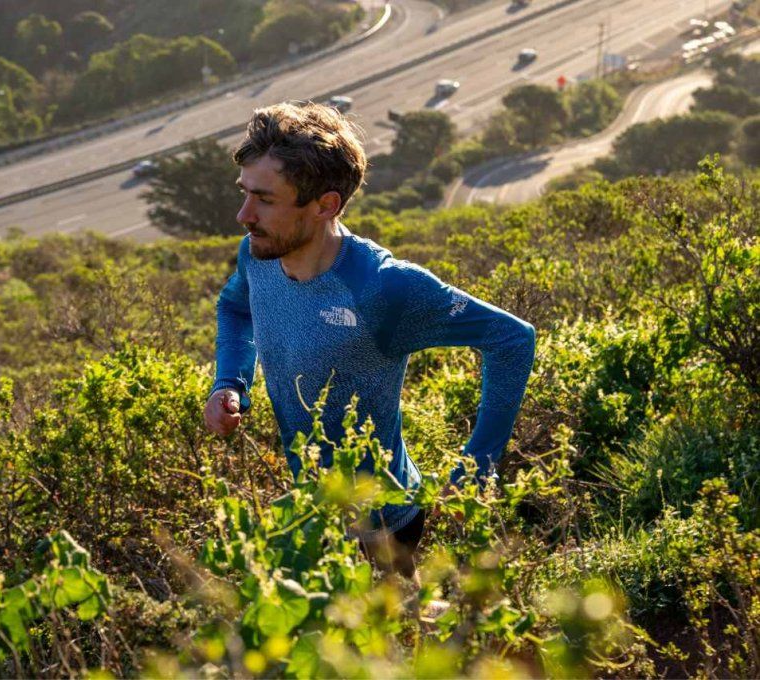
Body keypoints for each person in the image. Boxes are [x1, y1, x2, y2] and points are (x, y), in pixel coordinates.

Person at [203, 102, 536, 578]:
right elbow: (236, 307)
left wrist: (477, 465)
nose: (243, 215)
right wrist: (230, 382)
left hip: (384, 521)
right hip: (313, 509)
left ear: (325, 205)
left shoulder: (384, 287)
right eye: (245, 193)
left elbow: (512, 338)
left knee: (392, 618)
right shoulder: (258, 253)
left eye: (265, 200)